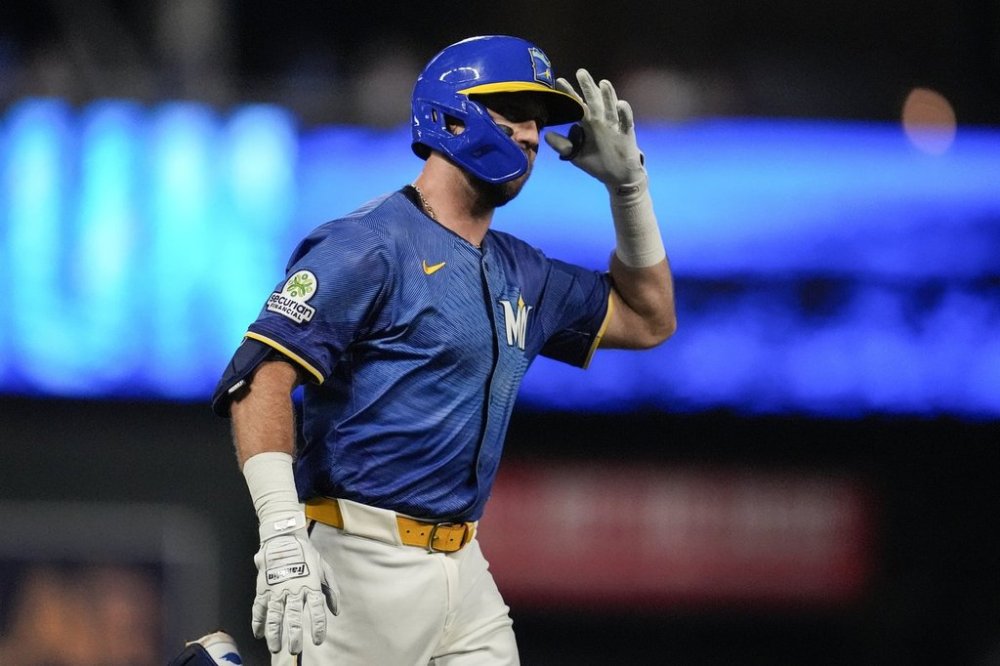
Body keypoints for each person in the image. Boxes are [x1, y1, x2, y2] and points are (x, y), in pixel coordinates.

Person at [210, 34, 676, 665]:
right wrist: (282, 530)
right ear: (449, 113)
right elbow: (261, 378)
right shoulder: (367, 245)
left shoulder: (523, 271)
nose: (533, 136)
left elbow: (650, 319)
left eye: (539, 120)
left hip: (467, 565)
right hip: (360, 561)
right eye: (513, 110)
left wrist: (630, 191)